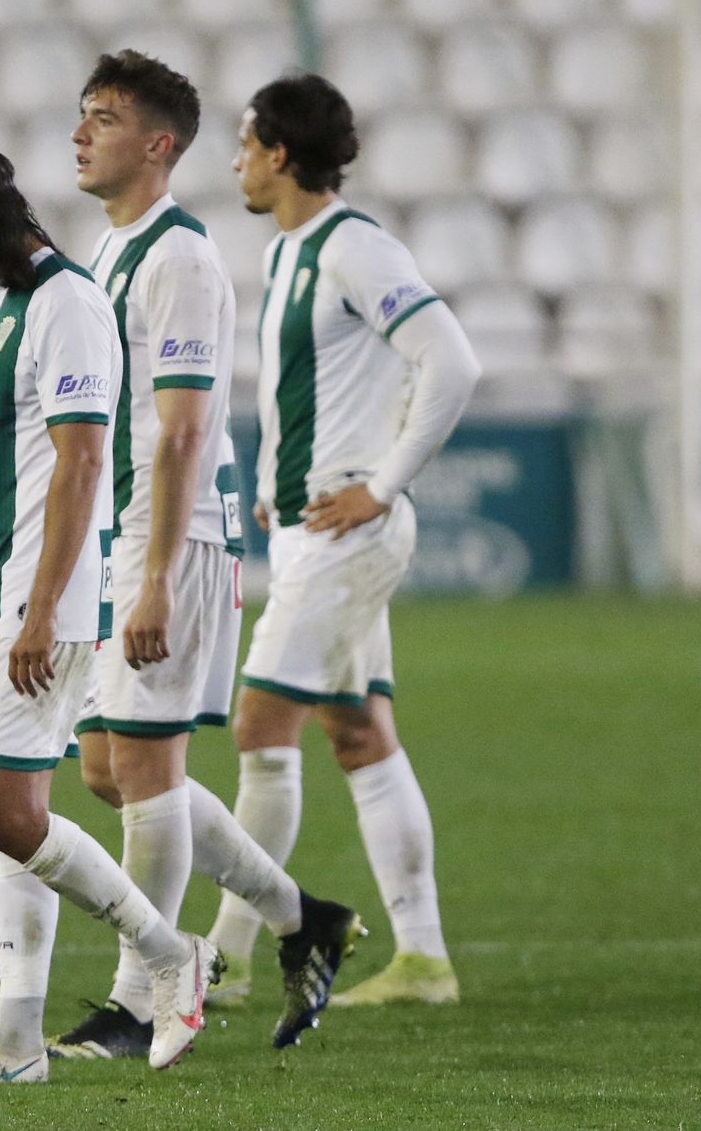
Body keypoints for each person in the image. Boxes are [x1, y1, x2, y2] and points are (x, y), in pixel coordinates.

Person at [49, 51, 364, 1061]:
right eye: (81, 114)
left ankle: (142, 995)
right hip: (123, 534)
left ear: (158, 143)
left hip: (168, 539)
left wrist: (151, 575)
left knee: (143, 768)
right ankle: (298, 914)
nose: (78, 132)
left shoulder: (178, 260)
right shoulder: (108, 255)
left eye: (101, 117)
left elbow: (184, 430)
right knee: (107, 767)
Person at [0, 134, 217, 1085]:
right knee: (12, 812)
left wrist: (38, 610)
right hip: (0, 592)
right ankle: (17, 1038)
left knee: (0, 810)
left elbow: (81, 462)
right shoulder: (3, 306)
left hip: (49, 601)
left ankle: (168, 954)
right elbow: (8, 472)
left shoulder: (69, 305)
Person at [204, 74, 482, 1010]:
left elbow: (452, 358)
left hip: (349, 532)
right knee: (358, 732)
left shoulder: (356, 248)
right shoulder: (292, 254)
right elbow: (321, 391)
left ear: (281, 152)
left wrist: (382, 483)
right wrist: (281, 491)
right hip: (312, 526)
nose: (236, 160)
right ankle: (425, 960)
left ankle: (228, 958)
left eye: (245, 143)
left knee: (258, 727)